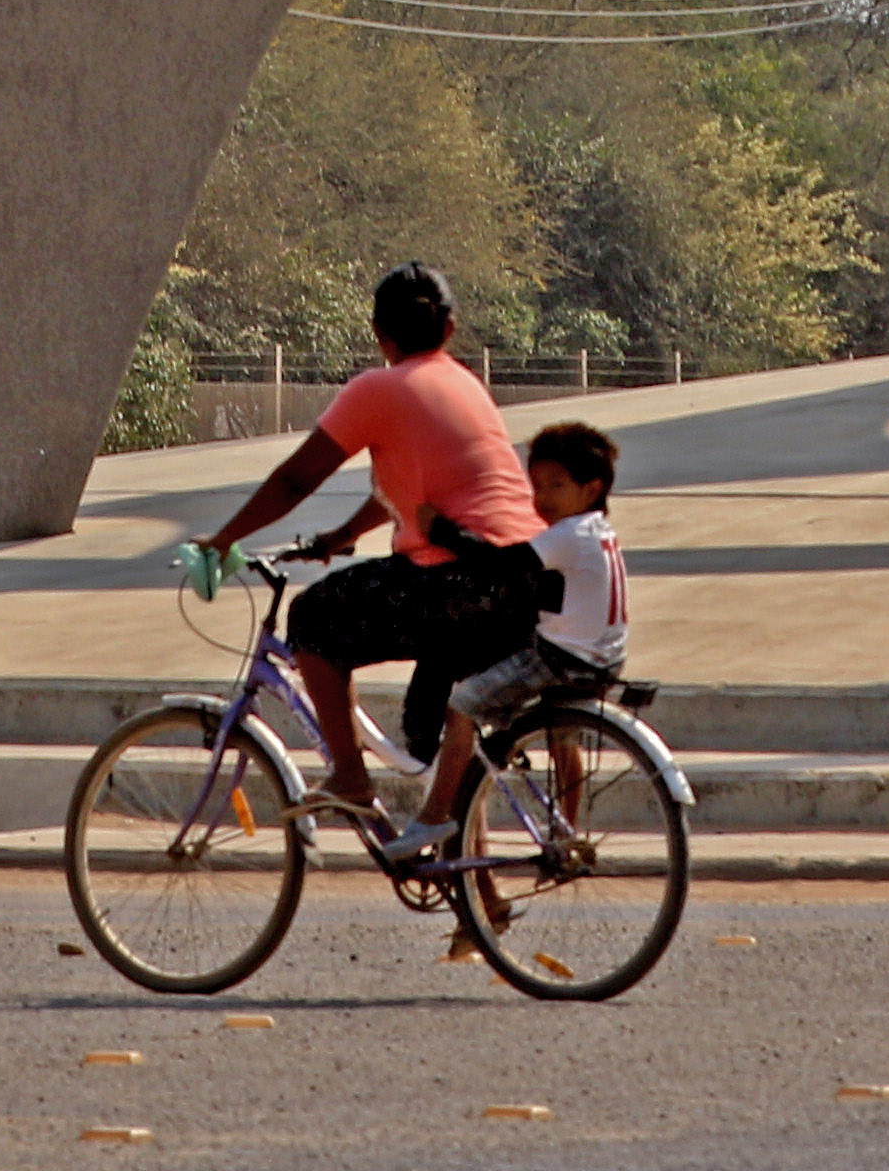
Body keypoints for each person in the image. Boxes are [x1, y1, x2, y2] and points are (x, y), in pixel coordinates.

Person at [185, 263, 544, 853]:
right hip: (516, 577)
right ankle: (477, 904)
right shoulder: (462, 384)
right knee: (439, 732)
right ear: (449, 329)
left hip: (455, 578)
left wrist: (222, 540)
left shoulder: (378, 389)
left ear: (380, 334)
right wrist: (339, 535)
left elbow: (297, 479)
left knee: (313, 619)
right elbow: (408, 492)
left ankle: (350, 777)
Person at [411, 421, 626, 845]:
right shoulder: (600, 532)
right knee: (564, 739)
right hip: (605, 659)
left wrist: (444, 533)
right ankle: (564, 831)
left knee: (462, 704)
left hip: (560, 659)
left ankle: (435, 815)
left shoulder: (567, 533)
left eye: (556, 486)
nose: (542, 498)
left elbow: (503, 565)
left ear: (591, 490)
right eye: (538, 486)